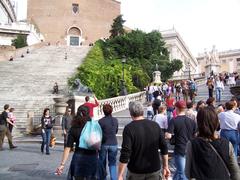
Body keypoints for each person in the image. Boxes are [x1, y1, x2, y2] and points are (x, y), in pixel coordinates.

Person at [118, 101, 170, 180]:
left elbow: (126, 152)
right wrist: (165, 166)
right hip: (154, 169)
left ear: (130, 113)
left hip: (136, 170)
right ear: (143, 111)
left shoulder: (129, 128)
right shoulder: (155, 125)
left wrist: (120, 174)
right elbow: (164, 147)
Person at [185, 107, 240, 180]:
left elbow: (187, 172)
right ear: (216, 122)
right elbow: (235, 171)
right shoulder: (227, 144)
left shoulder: (192, 144)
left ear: (199, 123)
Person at [55, 105, 99, 179]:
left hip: (79, 157)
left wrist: (62, 164)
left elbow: (68, 147)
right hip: (92, 157)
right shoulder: (94, 126)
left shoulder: (74, 128)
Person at [165, 100, 197, 180]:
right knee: (179, 171)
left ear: (176, 108)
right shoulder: (191, 121)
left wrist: (169, 137)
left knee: (182, 173)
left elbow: (168, 136)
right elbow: (196, 135)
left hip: (180, 148)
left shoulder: (174, 120)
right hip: (190, 148)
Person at [98, 104, 118, 180]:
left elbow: (99, 133)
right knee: (112, 163)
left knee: (102, 162)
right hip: (113, 143)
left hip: (104, 143)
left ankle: (103, 177)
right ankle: (113, 178)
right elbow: (115, 131)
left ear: (103, 111)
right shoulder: (115, 120)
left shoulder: (101, 121)